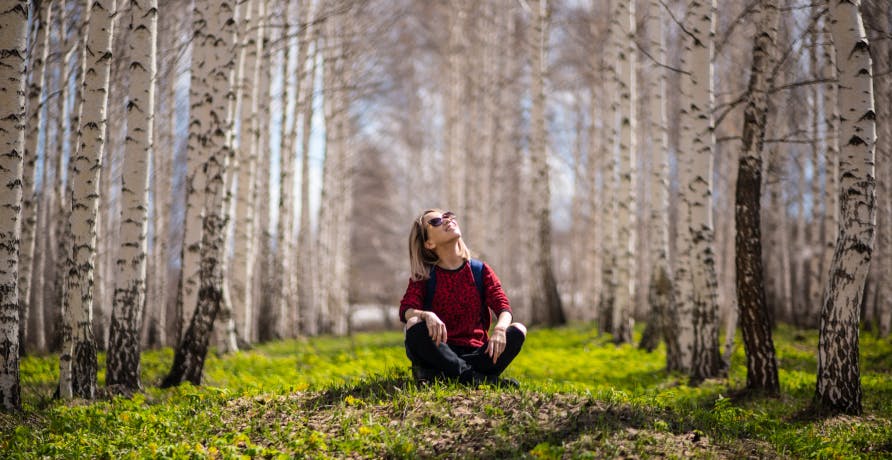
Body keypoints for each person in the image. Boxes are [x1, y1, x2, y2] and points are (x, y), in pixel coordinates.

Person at [399, 208, 527, 386]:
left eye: (447, 216)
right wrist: (426, 315)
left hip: (477, 355)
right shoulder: (424, 276)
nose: (446, 220)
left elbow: (503, 307)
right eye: (436, 221)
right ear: (428, 243)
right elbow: (406, 311)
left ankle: (455, 376)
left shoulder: (480, 270)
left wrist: (499, 330)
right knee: (414, 324)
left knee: (518, 329)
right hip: (440, 353)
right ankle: (477, 379)